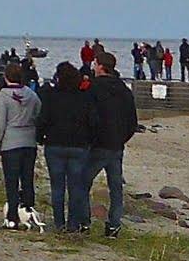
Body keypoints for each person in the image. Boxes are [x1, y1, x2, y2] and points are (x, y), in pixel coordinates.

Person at [38, 61, 96, 233]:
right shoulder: (84, 97)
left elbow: (43, 119)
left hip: (55, 144)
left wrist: (40, 137)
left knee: (57, 187)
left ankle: (59, 223)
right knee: (75, 187)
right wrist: (89, 140)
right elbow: (93, 121)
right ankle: (72, 223)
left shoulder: (51, 96)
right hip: (78, 145)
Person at [85, 52, 137, 238]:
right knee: (115, 188)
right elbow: (132, 121)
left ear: (100, 66)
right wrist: (121, 138)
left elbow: (88, 116)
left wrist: (90, 138)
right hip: (116, 145)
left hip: (98, 145)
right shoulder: (124, 90)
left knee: (83, 183)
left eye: (95, 63)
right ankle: (114, 225)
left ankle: (84, 222)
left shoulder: (93, 88)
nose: (93, 66)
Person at [0, 62, 42, 230]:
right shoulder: (31, 94)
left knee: (12, 181)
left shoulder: (4, 95)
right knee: (27, 178)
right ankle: (29, 210)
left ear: (6, 77)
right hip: (29, 140)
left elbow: (0, 122)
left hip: (11, 141)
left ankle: (12, 217)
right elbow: (38, 113)